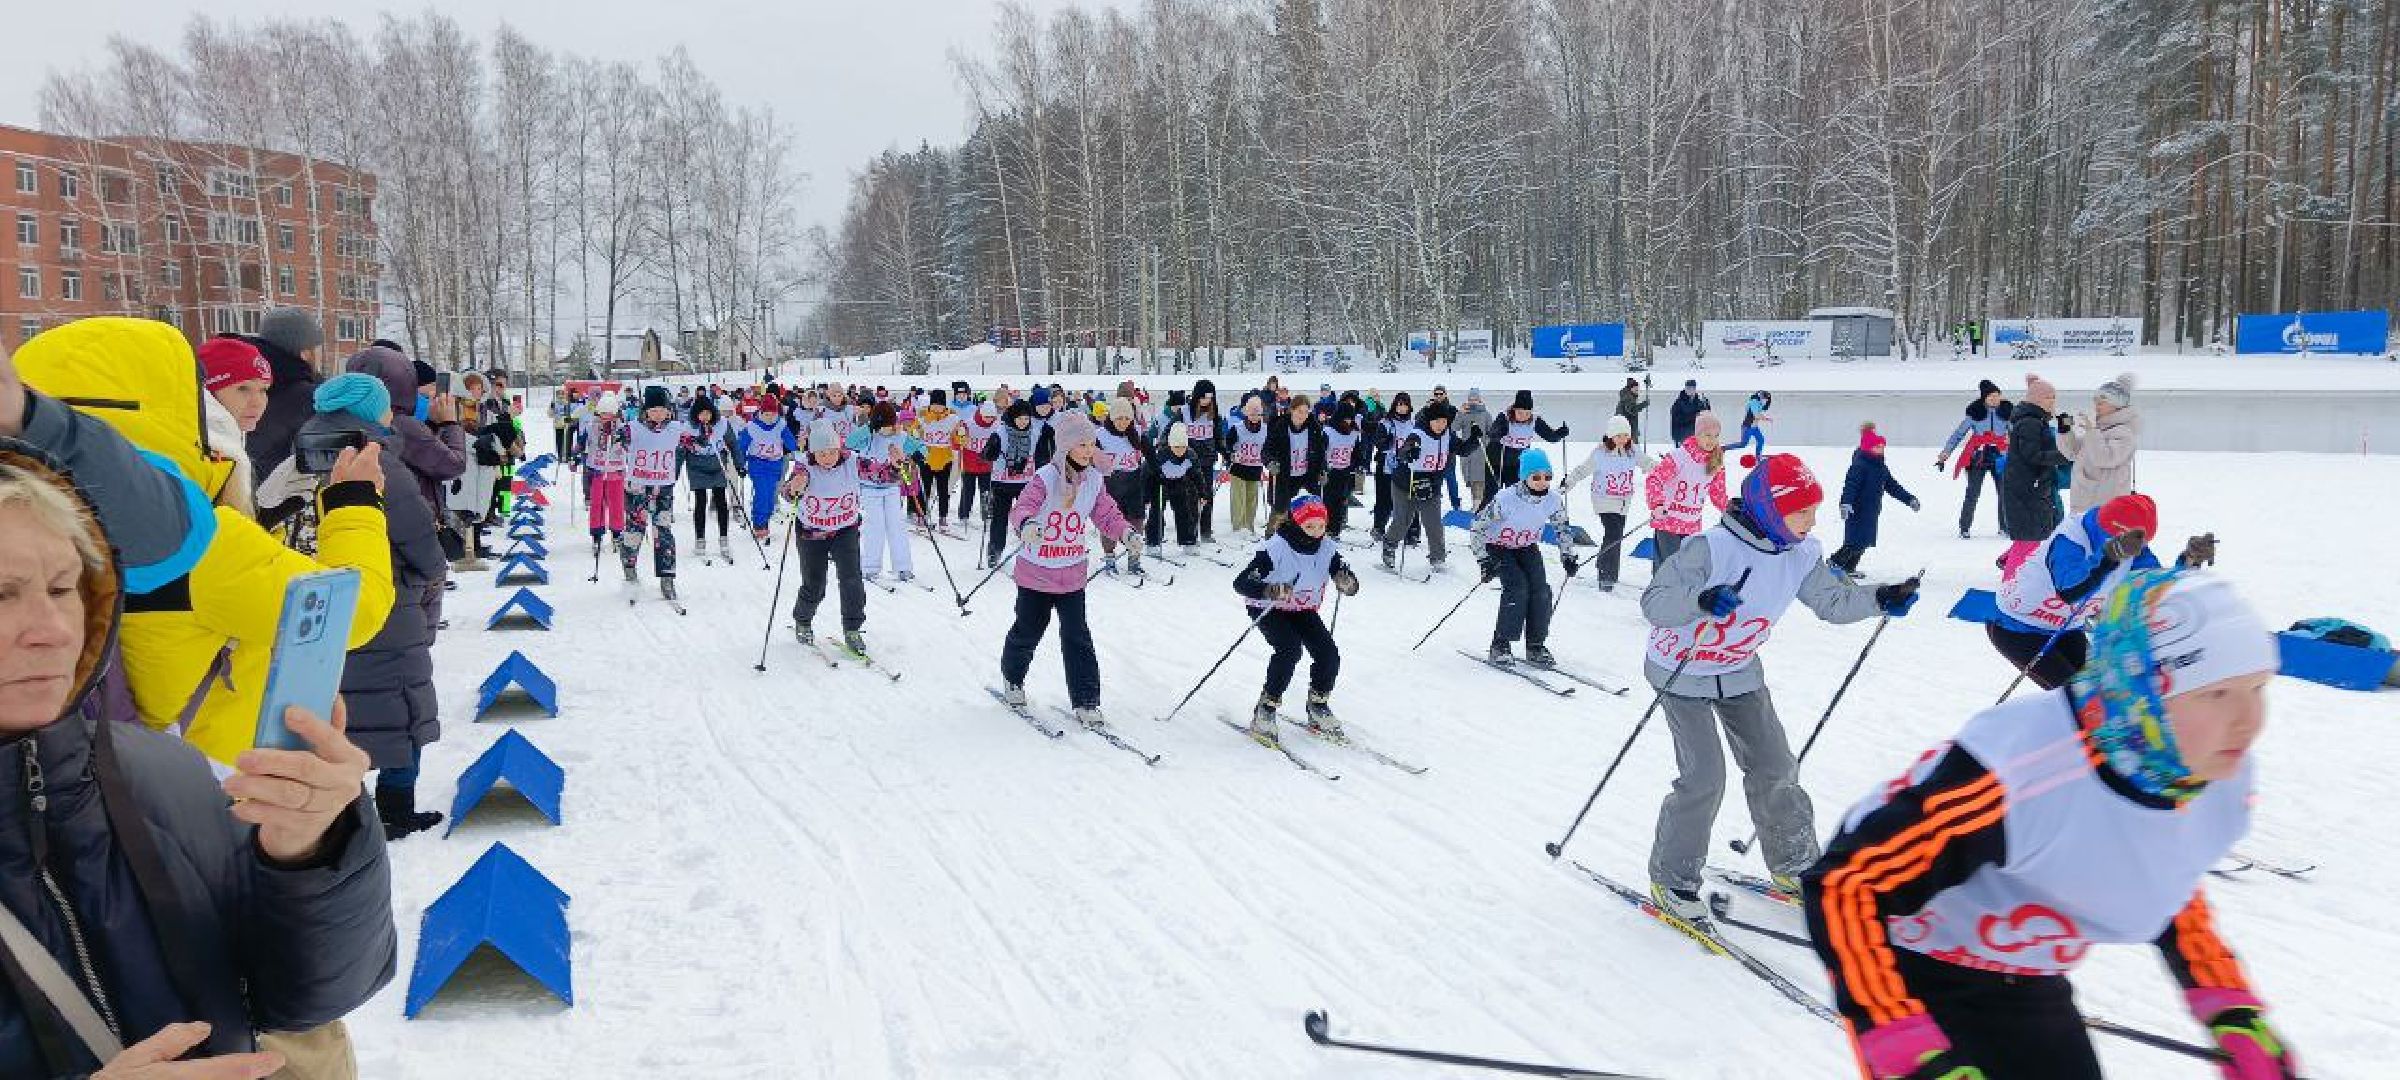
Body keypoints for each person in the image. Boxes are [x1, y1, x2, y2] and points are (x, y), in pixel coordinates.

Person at [0, 445, 396, 1080]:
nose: (52, 627)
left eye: (62, 586)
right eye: (1, 593)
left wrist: (311, 852)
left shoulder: (164, 775)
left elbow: (302, 998)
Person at [1805, 571, 2296, 1080]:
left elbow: (2161, 873)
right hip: (1913, 968)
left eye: (2258, 687)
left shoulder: (2211, 771)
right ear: (2143, 691)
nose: (2248, 720)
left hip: (2030, 976)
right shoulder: (2016, 775)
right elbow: (1846, 885)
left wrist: (2231, 1007)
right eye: (2215, 694)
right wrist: (1902, 1041)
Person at [18, 319, 399, 778]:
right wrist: (353, 503)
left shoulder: (20, 529)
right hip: (205, 788)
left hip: (63, 788)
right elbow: (350, 612)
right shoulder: (189, 540)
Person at [1640, 453, 1920, 924]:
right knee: (1705, 776)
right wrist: (1701, 600)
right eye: (1801, 513)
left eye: (1814, 511)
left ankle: (1794, 865)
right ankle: (1673, 879)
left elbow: (1832, 601)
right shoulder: (1712, 548)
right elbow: (1656, 602)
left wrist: (1879, 598)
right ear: (1769, 510)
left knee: (1775, 765)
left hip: (1740, 668)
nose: (1812, 522)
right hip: (1682, 670)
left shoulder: (1803, 553)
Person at [295, 374, 451, 839]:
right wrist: (432, 569)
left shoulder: (298, 454)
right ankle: (396, 810)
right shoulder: (376, 460)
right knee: (401, 713)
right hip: (386, 603)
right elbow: (420, 541)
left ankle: (342, 810)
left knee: (340, 712)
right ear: (369, 412)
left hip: (318, 603)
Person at [1985, 491, 2217, 690]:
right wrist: (2108, 556)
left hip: (2065, 629)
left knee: (2103, 691)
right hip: (2016, 628)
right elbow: (2069, 590)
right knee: (2077, 702)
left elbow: (2152, 586)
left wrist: (2188, 561)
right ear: (2116, 530)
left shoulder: (2132, 547)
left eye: (2142, 542)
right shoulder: (2071, 538)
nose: (2138, 548)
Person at [998, 411, 1138, 727]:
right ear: (1066, 447)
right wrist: (1028, 525)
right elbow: (1023, 508)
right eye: (1082, 445)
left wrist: (1126, 533)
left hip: (1072, 573)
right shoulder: (1046, 477)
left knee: (1077, 636)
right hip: (1037, 572)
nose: (1089, 451)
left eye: (1092, 444)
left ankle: (1087, 700)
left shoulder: (1095, 479)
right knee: (1028, 630)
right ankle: (1012, 676)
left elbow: (1107, 516)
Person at [1235, 493, 1359, 743]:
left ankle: (1318, 703)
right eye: (1309, 526)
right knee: (1289, 649)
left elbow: (1344, 574)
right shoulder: (1275, 548)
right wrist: (1270, 590)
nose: (1316, 532)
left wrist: (1347, 582)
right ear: (1295, 522)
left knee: (1328, 654)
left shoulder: (1327, 548)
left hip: (1302, 608)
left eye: (1321, 526)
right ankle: (1266, 708)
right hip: (1268, 607)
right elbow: (1241, 583)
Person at [1471, 448, 1578, 666]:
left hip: (1526, 547)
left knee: (1540, 590)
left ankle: (1535, 645)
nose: (1542, 482)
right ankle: (1500, 644)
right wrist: (1483, 560)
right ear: (1524, 477)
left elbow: (1562, 528)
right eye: (1536, 477)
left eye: (1547, 477)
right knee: (1517, 588)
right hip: (1498, 546)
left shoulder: (1553, 500)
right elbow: (1477, 527)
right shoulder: (1505, 499)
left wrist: (1568, 554)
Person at [780, 423, 873, 655]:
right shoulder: (804, 466)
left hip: (845, 530)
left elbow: (882, 473)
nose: (828, 457)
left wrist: (897, 464)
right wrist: (793, 488)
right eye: (822, 453)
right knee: (815, 584)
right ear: (813, 452)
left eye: (832, 451)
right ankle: (803, 620)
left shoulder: (853, 461)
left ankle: (852, 629)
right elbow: (787, 492)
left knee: (852, 580)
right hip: (812, 532)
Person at [1380, 399, 1477, 573]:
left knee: (1433, 523)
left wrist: (1474, 439)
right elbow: (1404, 450)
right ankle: (1389, 546)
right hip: (1405, 484)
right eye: (1437, 421)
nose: (1441, 425)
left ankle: (1438, 557)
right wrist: (1409, 451)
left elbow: (1462, 449)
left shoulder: (1448, 435)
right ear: (1429, 420)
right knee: (1403, 521)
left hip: (1432, 485)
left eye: (1444, 421)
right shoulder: (1418, 433)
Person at [1999, 373, 2075, 578]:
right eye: (2049, 398)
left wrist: (2065, 429)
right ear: (2037, 400)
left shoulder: (2035, 421)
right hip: (2027, 490)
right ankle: (2010, 583)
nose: (2053, 402)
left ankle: (2013, 575)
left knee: (2031, 538)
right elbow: (2033, 455)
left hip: (2032, 487)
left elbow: (2046, 444)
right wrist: (2066, 455)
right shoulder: (2029, 423)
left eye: (2054, 397)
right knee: (2029, 540)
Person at [1564, 414, 1651, 592]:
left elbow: (1648, 463)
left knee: (1615, 535)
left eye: (1626, 435)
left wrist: (1667, 468)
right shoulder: (1600, 453)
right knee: (1613, 533)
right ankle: (1606, 575)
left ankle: (1604, 563)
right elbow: (1582, 470)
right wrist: (1568, 482)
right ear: (1611, 436)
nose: (1623, 440)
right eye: (1619, 436)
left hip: (1623, 501)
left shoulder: (1632, 451)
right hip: (1603, 500)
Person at [243, 305, 327, 483]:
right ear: (305, 353)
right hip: (288, 499)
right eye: (317, 348)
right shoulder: (314, 398)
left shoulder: (240, 386)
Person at [622, 386, 688, 599]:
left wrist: (704, 435)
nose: (658, 414)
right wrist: (612, 433)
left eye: (662, 410)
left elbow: (694, 441)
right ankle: (629, 565)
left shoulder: (676, 428)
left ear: (669, 411)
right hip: (638, 487)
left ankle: (667, 578)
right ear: (646, 410)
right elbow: (618, 435)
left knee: (663, 530)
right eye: (653, 410)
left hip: (663, 487)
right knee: (635, 529)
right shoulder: (634, 428)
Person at [846, 402, 922, 582]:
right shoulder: (868, 437)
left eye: (891, 426)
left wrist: (917, 455)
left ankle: (903, 567)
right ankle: (870, 567)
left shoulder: (900, 436)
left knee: (897, 526)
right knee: (875, 527)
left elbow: (920, 448)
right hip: (869, 488)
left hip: (891, 488)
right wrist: (868, 428)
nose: (889, 431)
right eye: (885, 427)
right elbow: (849, 443)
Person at [1644, 411, 1729, 567]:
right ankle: (1661, 592)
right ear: (1697, 434)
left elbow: (1718, 494)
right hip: (1668, 520)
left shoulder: (1716, 463)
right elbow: (1654, 479)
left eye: (1716, 436)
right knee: (1668, 568)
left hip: (1691, 525)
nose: (1712, 440)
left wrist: (1730, 510)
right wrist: (1657, 505)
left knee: (1685, 570)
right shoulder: (1679, 457)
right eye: (1707, 435)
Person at [1832, 422, 1919, 575]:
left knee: (1863, 542)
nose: (1881, 449)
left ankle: (1848, 568)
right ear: (1868, 448)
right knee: (1854, 542)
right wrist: (1845, 504)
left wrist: (1909, 499)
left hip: (1871, 510)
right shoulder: (1860, 465)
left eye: (1882, 447)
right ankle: (1835, 563)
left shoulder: (1880, 466)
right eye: (1878, 447)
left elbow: (1892, 486)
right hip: (1857, 510)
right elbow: (1850, 485)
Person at [1934, 379, 2012, 539]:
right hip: (1978, 457)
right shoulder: (1974, 414)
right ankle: (1964, 527)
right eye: (1991, 396)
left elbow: (2017, 433)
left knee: (2004, 493)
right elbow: (1958, 434)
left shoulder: (2007, 413)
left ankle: (2005, 527)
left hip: (2000, 456)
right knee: (1973, 493)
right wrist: (1945, 453)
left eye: (1997, 395)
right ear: (1984, 398)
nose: (1995, 399)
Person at [2064, 372, 2139, 515]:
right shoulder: (2098, 429)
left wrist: (2091, 431)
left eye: (2102, 401)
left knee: (2102, 537)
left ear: (2117, 404)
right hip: (2084, 500)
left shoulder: (2124, 433)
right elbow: (2072, 452)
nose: (2096, 405)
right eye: (2095, 401)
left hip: (2105, 504)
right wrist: (2064, 431)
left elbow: (2104, 459)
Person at [1094, 398, 1151, 575]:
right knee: (1109, 521)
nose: (1123, 422)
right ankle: (1109, 557)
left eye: (1127, 418)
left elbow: (1152, 457)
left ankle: (1134, 558)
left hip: (1134, 484)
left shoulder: (1137, 434)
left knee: (1137, 522)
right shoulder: (1100, 435)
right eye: (1119, 418)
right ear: (1111, 417)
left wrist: (1158, 473)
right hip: (1110, 485)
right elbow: (1090, 460)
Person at [736, 392, 798, 544]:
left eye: (773, 414)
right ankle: (759, 524)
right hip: (758, 464)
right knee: (762, 493)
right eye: (767, 414)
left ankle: (765, 520)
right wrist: (740, 464)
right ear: (761, 413)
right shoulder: (752, 427)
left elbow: (790, 442)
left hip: (774, 464)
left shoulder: (781, 425)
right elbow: (741, 446)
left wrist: (798, 448)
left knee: (770, 495)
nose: (770, 417)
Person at [1482, 389, 1570, 491]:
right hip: (1497, 460)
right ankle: (1486, 507)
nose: (1524, 416)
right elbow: (1493, 434)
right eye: (1520, 413)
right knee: (1492, 493)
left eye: (1527, 413)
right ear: (1514, 410)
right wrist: (1499, 432)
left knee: (1515, 493)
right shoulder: (1504, 417)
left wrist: (1560, 433)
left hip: (1517, 463)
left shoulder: (1535, 420)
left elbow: (1550, 436)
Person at [579, 390, 631, 554]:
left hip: (616, 470)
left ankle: (617, 534)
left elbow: (631, 445)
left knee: (617, 504)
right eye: (603, 414)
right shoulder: (592, 426)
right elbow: (581, 442)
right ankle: (596, 534)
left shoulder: (622, 427)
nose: (606, 417)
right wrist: (575, 454)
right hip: (597, 470)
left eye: (610, 414)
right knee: (597, 504)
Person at [684, 399, 734, 564]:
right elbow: (680, 450)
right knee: (701, 501)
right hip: (697, 468)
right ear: (696, 414)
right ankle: (700, 539)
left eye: (708, 413)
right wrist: (674, 472)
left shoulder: (721, 424)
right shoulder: (689, 428)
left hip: (717, 465)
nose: (705, 416)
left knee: (721, 500)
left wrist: (739, 465)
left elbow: (733, 444)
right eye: (701, 413)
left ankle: (724, 538)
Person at [1263, 394, 1323, 527]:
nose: (1303, 415)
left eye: (1306, 412)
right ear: (1292, 410)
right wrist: (1270, 462)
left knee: (1305, 512)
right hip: (1284, 476)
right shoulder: (1280, 426)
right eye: (1299, 411)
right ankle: (1272, 539)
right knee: (1280, 512)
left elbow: (1320, 453)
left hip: (1306, 477)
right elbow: (1267, 450)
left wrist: (1323, 470)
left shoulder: (1314, 428)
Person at [1146, 423, 1205, 553]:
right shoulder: (1161, 455)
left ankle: (1188, 541)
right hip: (1160, 483)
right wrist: (1146, 496)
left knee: (1184, 511)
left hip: (1179, 482)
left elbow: (1197, 475)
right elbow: (1148, 474)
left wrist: (1202, 493)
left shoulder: (1191, 456)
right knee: (1156, 512)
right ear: (1170, 445)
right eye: (1176, 447)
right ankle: (1152, 543)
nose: (1180, 450)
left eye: (1183, 446)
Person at [1221, 392, 1271, 537]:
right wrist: (1231, 454)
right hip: (1238, 468)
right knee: (1238, 499)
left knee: (1251, 499)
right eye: (1252, 413)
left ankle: (1249, 527)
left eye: (1257, 414)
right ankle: (1238, 527)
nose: (1254, 417)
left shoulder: (1266, 429)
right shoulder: (1237, 428)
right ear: (1246, 412)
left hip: (1255, 468)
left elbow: (1269, 447)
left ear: (1261, 414)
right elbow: (1227, 445)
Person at [1370, 392, 1415, 538]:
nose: (1402, 408)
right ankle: (1378, 527)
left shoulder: (1412, 424)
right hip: (1386, 466)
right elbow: (1378, 443)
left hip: (1405, 468)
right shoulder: (1386, 422)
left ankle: (1410, 532)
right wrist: (1387, 441)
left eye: (1405, 405)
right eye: (1399, 404)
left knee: (1406, 500)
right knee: (1384, 499)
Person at [1320, 400, 1366, 539]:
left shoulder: (1353, 433)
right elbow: (1321, 451)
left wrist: (1359, 464)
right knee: (1328, 501)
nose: (1348, 421)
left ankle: (1335, 529)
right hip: (1330, 472)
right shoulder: (1328, 431)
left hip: (1345, 471)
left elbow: (1357, 452)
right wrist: (1322, 468)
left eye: (1350, 418)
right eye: (1345, 418)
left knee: (1341, 501)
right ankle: (1325, 528)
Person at [916, 389, 962, 526]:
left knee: (944, 490)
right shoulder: (923, 417)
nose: (937, 407)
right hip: (927, 459)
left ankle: (943, 516)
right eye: (934, 404)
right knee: (925, 489)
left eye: (940, 405)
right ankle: (922, 515)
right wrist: (915, 431)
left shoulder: (952, 419)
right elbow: (914, 432)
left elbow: (959, 437)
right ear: (930, 404)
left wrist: (961, 435)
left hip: (944, 459)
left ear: (945, 405)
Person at [957, 394, 999, 529]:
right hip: (969, 463)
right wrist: (960, 434)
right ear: (981, 414)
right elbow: (957, 440)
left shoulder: (997, 425)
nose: (989, 420)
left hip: (986, 464)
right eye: (986, 417)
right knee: (967, 491)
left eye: (991, 417)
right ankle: (963, 516)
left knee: (986, 492)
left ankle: (987, 516)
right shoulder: (969, 423)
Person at [1456, 388, 1494, 507]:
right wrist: (1460, 413)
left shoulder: (1485, 414)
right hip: (1467, 453)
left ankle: (1479, 506)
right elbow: (1454, 428)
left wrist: (1486, 441)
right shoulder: (1464, 414)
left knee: (1480, 480)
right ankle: (1476, 505)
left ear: (1479, 399)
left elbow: (1492, 432)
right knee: (1471, 481)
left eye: (1475, 399)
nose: (1473, 402)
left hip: (1482, 453)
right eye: (1470, 399)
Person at [1668, 379, 1711, 446]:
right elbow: (1677, 419)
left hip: (1696, 437)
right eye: (1688, 388)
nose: (1691, 390)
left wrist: (1707, 405)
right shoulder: (1678, 403)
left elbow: (1706, 415)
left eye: (1693, 388)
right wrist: (1694, 416)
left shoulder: (1699, 402)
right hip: (1682, 437)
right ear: (1685, 389)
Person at [1737, 390, 1772, 458]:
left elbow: (1761, 411)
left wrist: (1768, 402)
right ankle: (1723, 448)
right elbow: (1756, 415)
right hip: (1748, 427)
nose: (1765, 400)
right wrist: (1766, 419)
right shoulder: (1754, 402)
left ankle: (1758, 457)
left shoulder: (1759, 403)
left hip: (1754, 427)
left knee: (1760, 440)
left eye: (1766, 399)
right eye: (1765, 398)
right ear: (1760, 396)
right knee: (1743, 444)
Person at [1616, 377, 1646, 444]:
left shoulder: (1628, 396)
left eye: (1638, 388)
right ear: (1631, 388)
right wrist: (1643, 404)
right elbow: (1632, 410)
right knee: (1630, 449)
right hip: (1625, 431)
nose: (1637, 390)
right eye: (1636, 388)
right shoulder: (1628, 397)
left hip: (1626, 430)